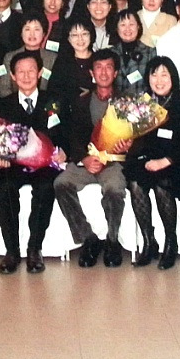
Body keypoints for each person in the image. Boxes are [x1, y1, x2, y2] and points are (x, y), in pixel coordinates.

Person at [124, 57, 180, 270]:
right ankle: (149, 241)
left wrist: (166, 161)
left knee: (163, 184)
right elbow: (137, 139)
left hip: (178, 160)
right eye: (154, 75)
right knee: (135, 182)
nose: (159, 80)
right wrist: (130, 145)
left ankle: (171, 242)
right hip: (149, 159)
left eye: (164, 75)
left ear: (173, 77)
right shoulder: (143, 103)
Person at [0, 52, 68, 274]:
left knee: (45, 188)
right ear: (13, 76)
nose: (26, 76)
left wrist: (65, 151)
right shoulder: (2, 105)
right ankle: (12, 251)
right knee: (4, 188)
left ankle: (35, 249)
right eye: (21, 72)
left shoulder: (53, 101)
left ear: (40, 73)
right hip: (14, 163)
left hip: (45, 163)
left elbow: (65, 131)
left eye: (31, 71)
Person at [55, 50, 129, 268]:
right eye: (98, 67)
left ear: (116, 73)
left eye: (109, 67)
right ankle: (88, 238)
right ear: (91, 73)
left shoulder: (127, 102)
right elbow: (72, 135)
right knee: (61, 184)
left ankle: (112, 241)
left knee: (114, 189)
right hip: (86, 163)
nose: (103, 72)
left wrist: (129, 146)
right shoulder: (80, 101)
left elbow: (138, 136)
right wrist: (84, 158)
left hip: (113, 163)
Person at [0, 13, 58, 98]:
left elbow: (55, 89)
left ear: (44, 33)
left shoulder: (53, 58)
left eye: (36, 29)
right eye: (27, 29)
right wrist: (17, 102)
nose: (32, 34)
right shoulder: (9, 57)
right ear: (21, 33)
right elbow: (3, 88)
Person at [48, 16, 95, 100]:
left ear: (91, 35)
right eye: (75, 35)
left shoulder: (98, 60)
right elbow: (53, 91)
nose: (80, 39)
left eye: (84, 34)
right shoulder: (62, 62)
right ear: (68, 38)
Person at [111, 9, 156, 93]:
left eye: (131, 24)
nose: (127, 29)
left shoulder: (150, 52)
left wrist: (143, 100)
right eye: (123, 25)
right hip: (114, 100)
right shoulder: (111, 53)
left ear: (138, 26)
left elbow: (153, 85)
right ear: (117, 28)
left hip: (142, 100)